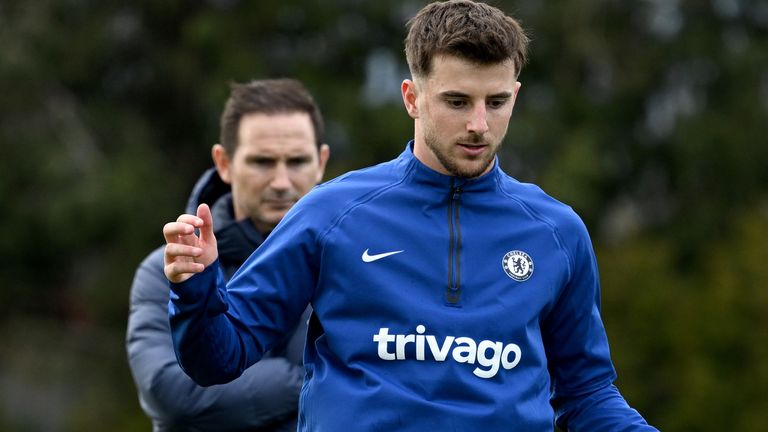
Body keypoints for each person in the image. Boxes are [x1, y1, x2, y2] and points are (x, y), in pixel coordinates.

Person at [162, 1, 658, 430]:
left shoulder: (557, 232)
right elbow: (219, 358)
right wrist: (196, 285)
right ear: (412, 98)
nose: (479, 124)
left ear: (516, 97)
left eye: (497, 102)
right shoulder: (332, 214)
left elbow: (587, 395)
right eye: (457, 101)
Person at [127, 78, 330, 431]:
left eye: (297, 161)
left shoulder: (355, 262)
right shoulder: (171, 270)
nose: (282, 181)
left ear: (321, 161)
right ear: (224, 163)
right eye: (263, 162)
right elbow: (173, 396)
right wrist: (312, 378)